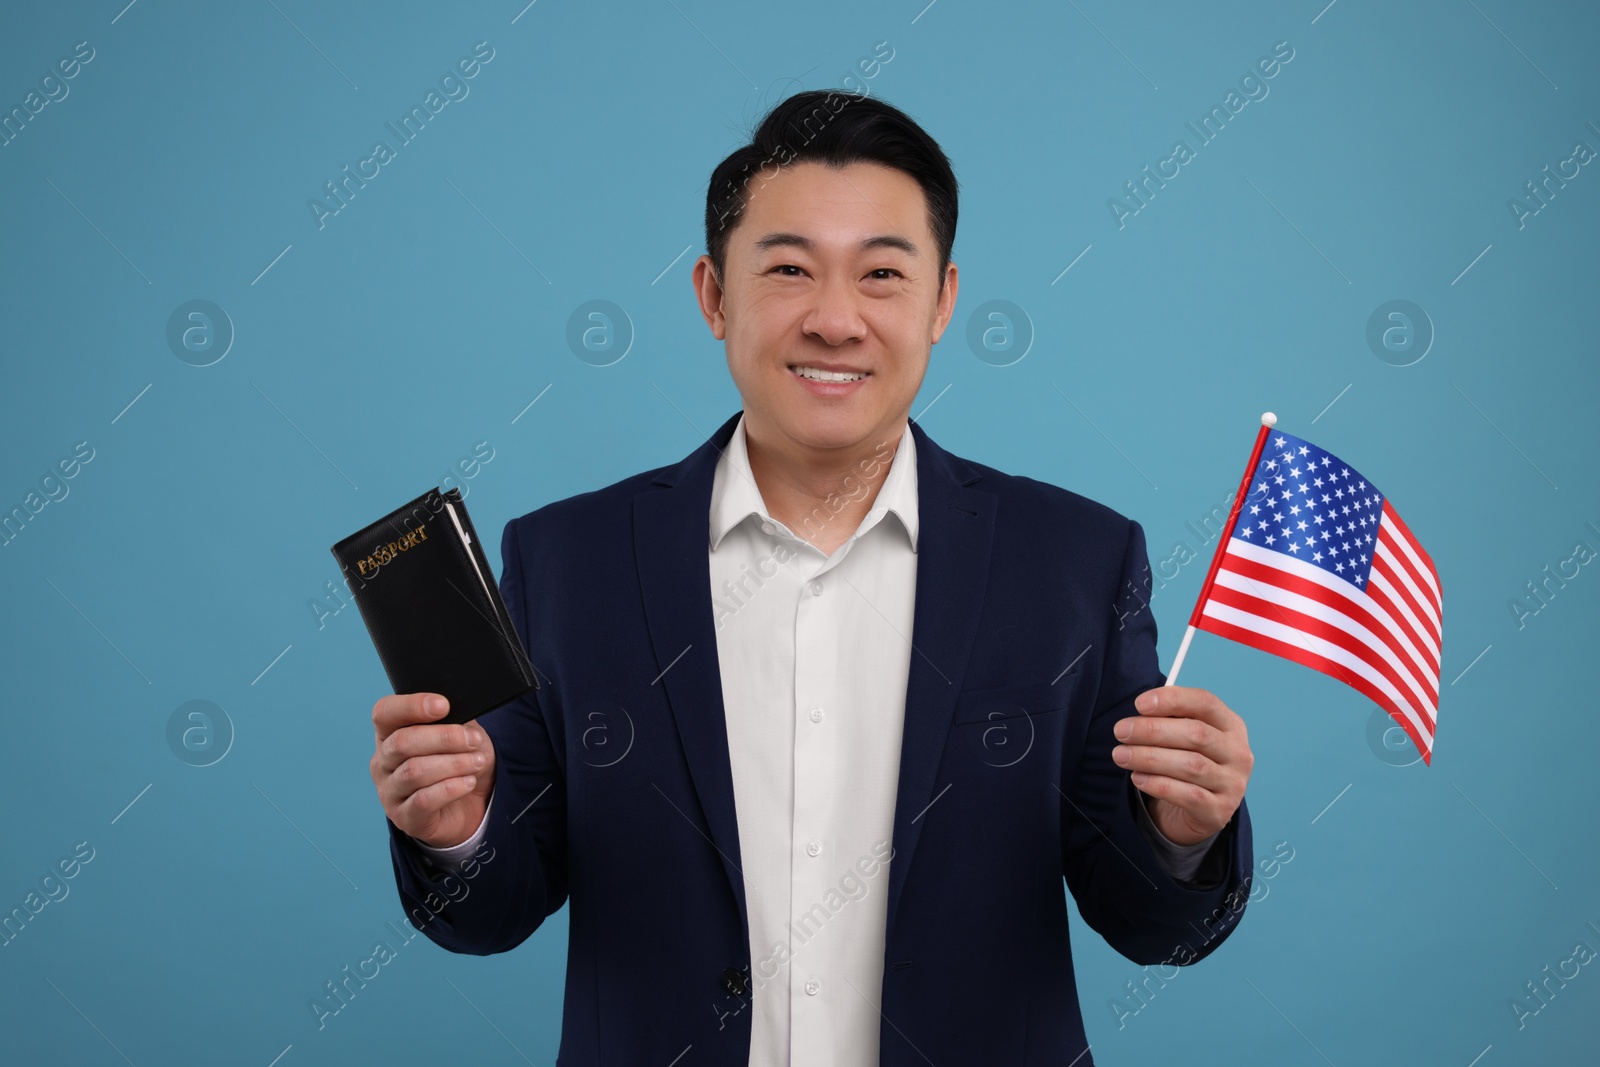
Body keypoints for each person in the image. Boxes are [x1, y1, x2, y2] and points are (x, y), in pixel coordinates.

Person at [368, 89, 1255, 1066]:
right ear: (712, 294)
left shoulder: (1076, 561)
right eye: (788, 269)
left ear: (942, 302)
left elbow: (1151, 925)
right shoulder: (564, 560)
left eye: (881, 273)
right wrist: (458, 830)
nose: (836, 319)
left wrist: (1180, 831)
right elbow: (489, 913)